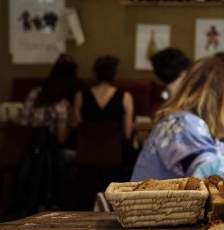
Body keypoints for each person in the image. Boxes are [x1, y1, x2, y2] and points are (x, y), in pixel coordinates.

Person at [131, 53, 224, 196]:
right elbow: (223, 198)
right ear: (218, 94)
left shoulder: (199, 127)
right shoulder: (183, 126)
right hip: (152, 217)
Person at [14, 54, 79, 214]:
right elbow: (61, 139)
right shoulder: (62, 104)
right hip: (48, 154)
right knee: (72, 158)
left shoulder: (34, 93)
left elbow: (22, 124)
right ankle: (61, 203)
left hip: (27, 151)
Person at [72, 55, 134, 142]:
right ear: (115, 74)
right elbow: (127, 132)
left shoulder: (80, 96)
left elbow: (79, 127)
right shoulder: (126, 97)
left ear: (95, 73)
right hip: (115, 151)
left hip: (87, 149)